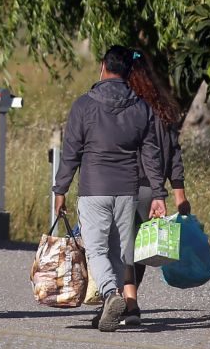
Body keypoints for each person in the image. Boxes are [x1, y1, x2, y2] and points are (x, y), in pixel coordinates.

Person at [52, 45, 167, 332]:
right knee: (118, 251)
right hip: (127, 189)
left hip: (94, 188)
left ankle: (110, 293)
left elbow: (71, 152)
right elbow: (152, 155)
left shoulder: (84, 105)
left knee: (95, 249)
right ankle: (108, 309)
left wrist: (60, 189)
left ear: (103, 66)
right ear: (129, 72)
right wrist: (158, 194)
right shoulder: (141, 108)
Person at [120, 50, 190, 326]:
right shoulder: (163, 110)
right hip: (153, 190)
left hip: (127, 184)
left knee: (124, 247)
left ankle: (130, 304)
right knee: (140, 249)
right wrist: (179, 195)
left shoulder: (128, 109)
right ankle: (130, 302)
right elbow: (174, 155)